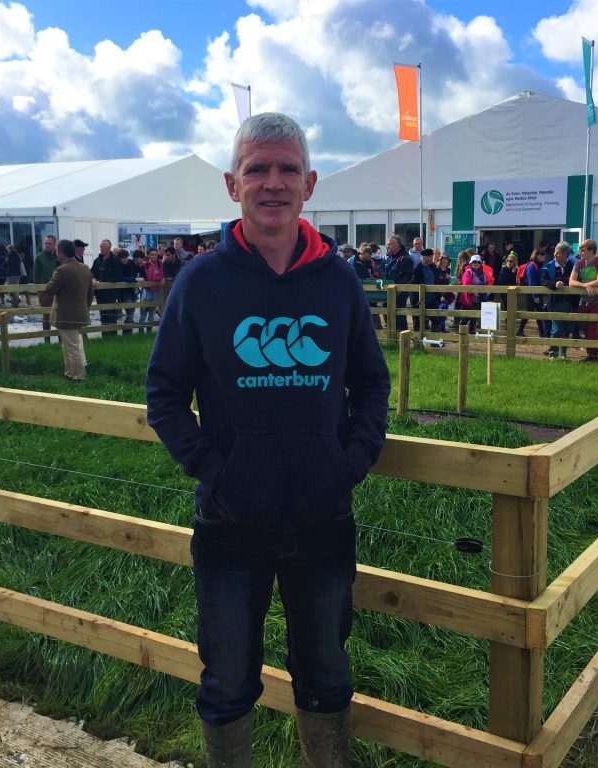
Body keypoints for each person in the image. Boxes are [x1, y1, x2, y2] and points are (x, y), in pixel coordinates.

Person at [146, 113, 389, 768]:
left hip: (323, 516)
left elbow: (371, 384)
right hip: (229, 521)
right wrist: (216, 473)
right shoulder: (201, 283)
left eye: (287, 169)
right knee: (226, 681)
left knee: (327, 673)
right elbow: (164, 394)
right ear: (233, 184)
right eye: (258, 168)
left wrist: (350, 464)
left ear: (309, 184)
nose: (272, 182)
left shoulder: (339, 281)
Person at [44, 238, 94, 381]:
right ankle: (70, 372)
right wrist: (86, 308)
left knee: (72, 347)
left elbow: (50, 289)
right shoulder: (85, 268)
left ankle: (78, 375)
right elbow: (91, 293)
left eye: (57, 252)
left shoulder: (61, 270)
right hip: (80, 313)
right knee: (73, 345)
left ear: (61, 253)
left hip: (65, 315)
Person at [569, 239, 598, 363]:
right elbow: (571, 282)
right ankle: (590, 354)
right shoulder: (579, 263)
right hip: (585, 299)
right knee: (585, 327)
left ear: (592, 251)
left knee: (592, 326)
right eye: (580, 250)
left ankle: (594, 355)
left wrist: (586, 285)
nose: (580, 252)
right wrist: (585, 286)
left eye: (583, 250)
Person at [542, 242, 576, 358]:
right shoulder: (549, 265)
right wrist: (554, 284)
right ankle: (553, 354)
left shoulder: (572, 265)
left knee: (567, 328)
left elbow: (576, 280)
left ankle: (563, 354)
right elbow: (544, 281)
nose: (555, 255)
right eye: (555, 252)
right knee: (557, 329)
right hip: (554, 302)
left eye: (558, 253)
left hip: (569, 302)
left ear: (565, 254)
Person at [91, 239, 121, 337]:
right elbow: (92, 272)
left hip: (111, 292)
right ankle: (105, 335)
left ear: (108, 247)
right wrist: (93, 279)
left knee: (111, 313)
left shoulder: (115, 260)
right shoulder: (97, 260)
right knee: (103, 313)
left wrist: (102, 282)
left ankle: (112, 334)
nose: (101, 248)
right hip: (100, 292)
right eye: (100, 247)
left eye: (102, 246)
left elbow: (116, 276)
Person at [384, 235, 413, 330]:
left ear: (397, 245)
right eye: (388, 244)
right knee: (390, 315)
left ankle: (403, 339)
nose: (388, 246)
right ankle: (392, 340)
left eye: (390, 244)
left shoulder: (405, 258)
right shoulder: (389, 257)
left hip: (400, 292)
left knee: (400, 316)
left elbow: (408, 276)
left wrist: (398, 288)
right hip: (389, 291)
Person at [33, 235, 59, 341]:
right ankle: (47, 340)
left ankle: (60, 339)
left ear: (54, 244)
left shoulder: (59, 256)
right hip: (44, 291)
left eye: (50, 244)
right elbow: (35, 276)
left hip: (58, 290)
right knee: (47, 315)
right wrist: (39, 289)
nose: (47, 246)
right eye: (46, 243)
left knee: (59, 314)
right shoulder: (39, 257)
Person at [411, 248, 439, 331]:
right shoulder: (417, 269)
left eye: (432, 256)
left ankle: (435, 343)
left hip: (432, 299)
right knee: (418, 323)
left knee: (436, 321)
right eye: (429, 257)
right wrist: (415, 302)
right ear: (423, 257)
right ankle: (418, 343)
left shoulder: (433, 267)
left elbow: (437, 281)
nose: (431, 258)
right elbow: (413, 286)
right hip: (420, 300)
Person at [139, 247, 164, 331]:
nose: (154, 256)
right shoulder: (144, 265)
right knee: (143, 311)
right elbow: (148, 278)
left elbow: (161, 276)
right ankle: (141, 330)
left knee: (152, 311)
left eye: (155, 255)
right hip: (146, 290)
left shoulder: (160, 263)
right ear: (149, 255)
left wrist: (159, 278)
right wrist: (158, 278)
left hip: (156, 290)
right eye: (152, 255)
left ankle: (149, 330)